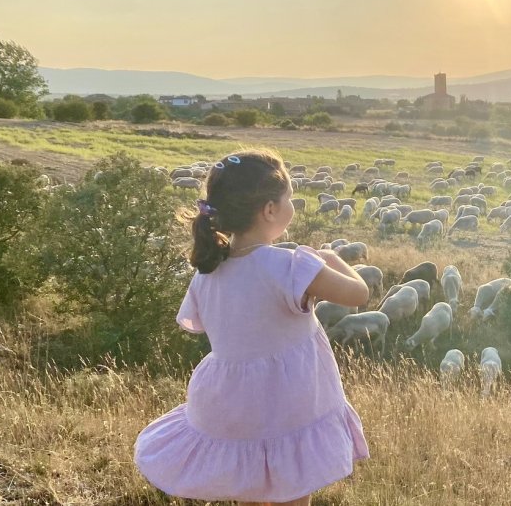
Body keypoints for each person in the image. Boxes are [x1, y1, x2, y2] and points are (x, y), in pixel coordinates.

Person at [134, 149, 370, 506]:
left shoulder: (208, 271)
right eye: (289, 197)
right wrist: (331, 259)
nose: (293, 203)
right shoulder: (291, 266)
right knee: (292, 487)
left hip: (234, 406)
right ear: (270, 210)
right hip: (289, 403)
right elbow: (359, 294)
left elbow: (205, 325)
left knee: (250, 482)